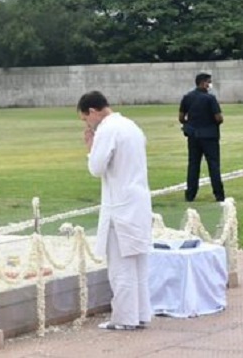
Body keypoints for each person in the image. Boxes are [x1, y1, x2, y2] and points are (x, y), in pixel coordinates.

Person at [78, 91, 152, 331]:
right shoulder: (131, 125)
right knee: (138, 261)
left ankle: (125, 317)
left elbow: (97, 167)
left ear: (92, 111)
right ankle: (140, 314)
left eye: (85, 119)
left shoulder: (107, 129)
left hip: (120, 204)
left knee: (121, 265)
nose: (87, 124)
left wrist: (90, 146)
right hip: (137, 199)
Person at [178, 73, 224, 202]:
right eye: (209, 82)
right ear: (203, 83)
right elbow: (218, 118)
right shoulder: (210, 98)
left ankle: (190, 194)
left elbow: (181, 117)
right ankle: (219, 194)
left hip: (193, 136)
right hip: (210, 136)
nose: (210, 85)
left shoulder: (187, 97)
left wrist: (189, 125)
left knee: (193, 165)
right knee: (213, 165)